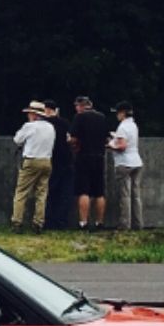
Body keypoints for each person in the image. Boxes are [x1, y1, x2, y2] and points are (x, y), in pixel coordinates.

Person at [67, 95, 110, 230]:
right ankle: (99, 222)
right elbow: (107, 138)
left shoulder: (79, 117)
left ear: (81, 106)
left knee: (83, 191)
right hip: (99, 157)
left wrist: (70, 141)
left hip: (84, 156)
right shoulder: (102, 117)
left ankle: (83, 222)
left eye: (76, 106)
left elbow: (73, 138)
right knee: (99, 192)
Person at [11, 101, 55, 231]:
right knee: (41, 193)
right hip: (46, 160)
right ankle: (38, 222)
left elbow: (17, 140)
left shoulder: (29, 126)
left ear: (34, 115)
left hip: (31, 160)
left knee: (21, 192)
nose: (28, 115)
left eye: (29, 113)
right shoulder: (50, 127)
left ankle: (17, 221)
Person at [110, 100, 144, 230]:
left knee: (125, 195)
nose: (117, 115)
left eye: (118, 113)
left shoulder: (122, 127)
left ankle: (125, 224)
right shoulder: (133, 125)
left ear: (123, 113)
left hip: (124, 162)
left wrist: (111, 145)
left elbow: (122, 146)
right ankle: (138, 223)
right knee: (136, 195)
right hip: (136, 161)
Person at [41, 100, 74, 230]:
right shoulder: (65, 123)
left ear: (46, 110)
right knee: (65, 193)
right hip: (66, 160)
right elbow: (69, 139)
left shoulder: (44, 124)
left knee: (50, 192)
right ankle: (62, 221)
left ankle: (48, 221)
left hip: (51, 160)